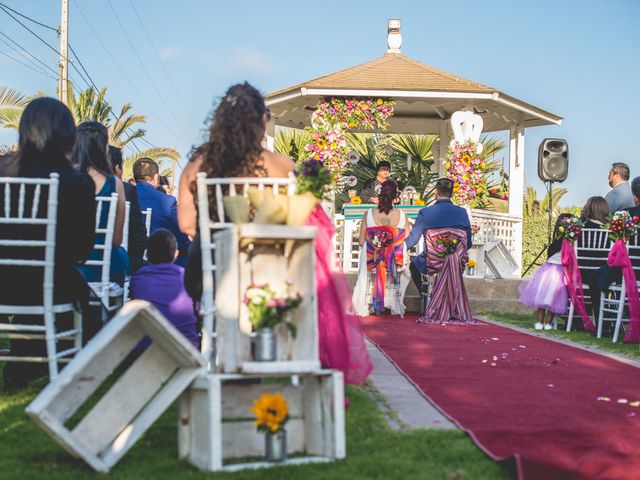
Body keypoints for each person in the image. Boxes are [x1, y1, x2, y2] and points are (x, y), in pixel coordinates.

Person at [178, 82, 372, 385]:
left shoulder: (197, 164)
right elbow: (301, 221)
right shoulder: (280, 165)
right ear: (261, 121)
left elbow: (186, 224)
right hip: (266, 278)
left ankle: (223, 354)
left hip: (209, 274)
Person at [0, 97, 96, 388]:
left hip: (3, 280)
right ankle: (41, 362)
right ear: (67, 135)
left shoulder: (3, 170)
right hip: (53, 282)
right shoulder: (77, 182)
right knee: (90, 308)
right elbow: (82, 251)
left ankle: (25, 363)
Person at [75, 121, 130, 287]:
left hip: (69, 266)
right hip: (102, 268)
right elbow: (116, 240)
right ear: (103, 148)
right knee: (120, 254)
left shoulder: (64, 178)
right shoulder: (115, 184)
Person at [130, 229, 198, 347]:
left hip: (147, 350)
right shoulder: (188, 277)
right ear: (175, 254)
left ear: (147, 255)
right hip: (186, 348)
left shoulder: (138, 278)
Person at [352, 180, 410, 316]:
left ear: (380, 194)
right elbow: (405, 236)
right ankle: (395, 304)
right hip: (395, 261)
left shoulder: (369, 213)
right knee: (408, 270)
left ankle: (365, 302)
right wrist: (389, 245)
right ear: (396, 195)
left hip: (372, 259)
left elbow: (361, 241)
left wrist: (377, 245)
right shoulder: (402, 215)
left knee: (366, 249)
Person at [405, 178, 472, 293]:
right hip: (456, 261)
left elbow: (412, 241)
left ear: (436, 192)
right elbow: (468, 243)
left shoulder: (426, 212)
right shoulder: (462, 213)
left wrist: (395, 247)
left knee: (413, 265)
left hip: (432, 262)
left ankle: (426, 295)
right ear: (451, 193)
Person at [519, 213, 573, 330]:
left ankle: (544, 323)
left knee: (546, 298)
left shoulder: (561, 244)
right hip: (555, 272)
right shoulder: (567, 244)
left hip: (551, 271)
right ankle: (545, 323)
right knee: (548, 298)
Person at [134, 158, 189, 265]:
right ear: (156, 177)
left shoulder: (123, 197)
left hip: (128, 258)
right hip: (157, 261)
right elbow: (181, 238)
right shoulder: (167, 201)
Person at [108, 146, 148, 273]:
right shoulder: (127, 190)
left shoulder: (81, 182)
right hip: (116, 261)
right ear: (117, 168)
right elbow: (138, 234)